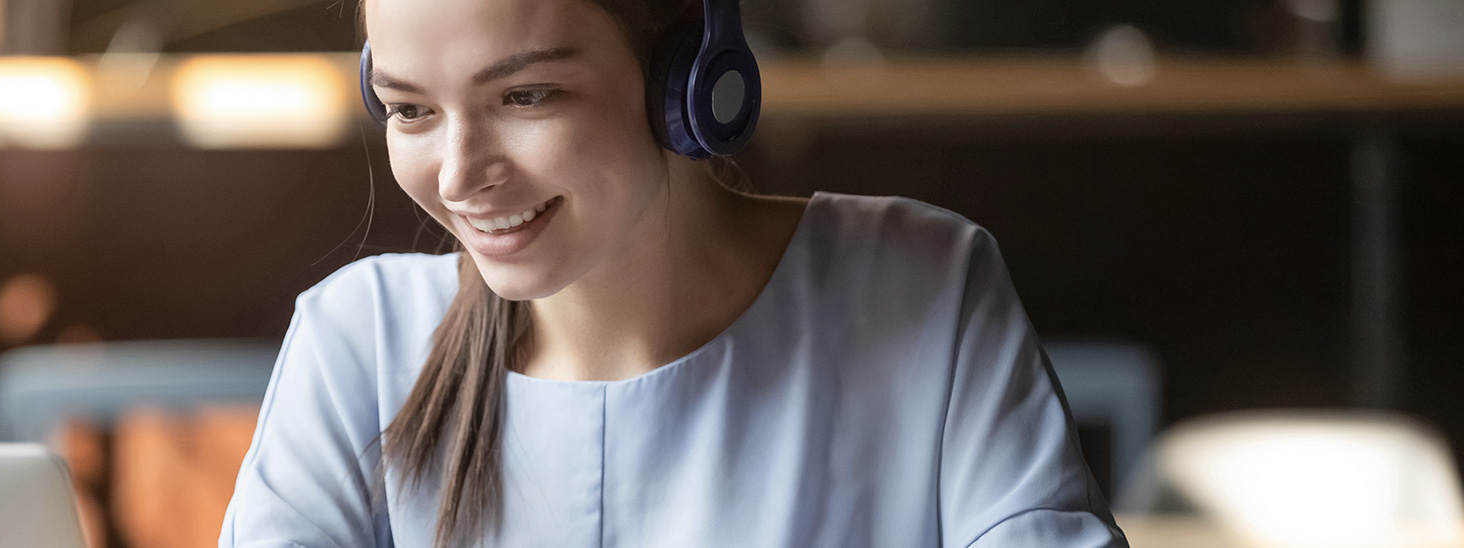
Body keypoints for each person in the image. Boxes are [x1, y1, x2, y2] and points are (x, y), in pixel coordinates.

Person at [220, 0, 1127, 545]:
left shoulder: (924, 288)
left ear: (689, 79)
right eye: (411, 110)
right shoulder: (357, 341)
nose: (458, 176)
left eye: (524, 96)